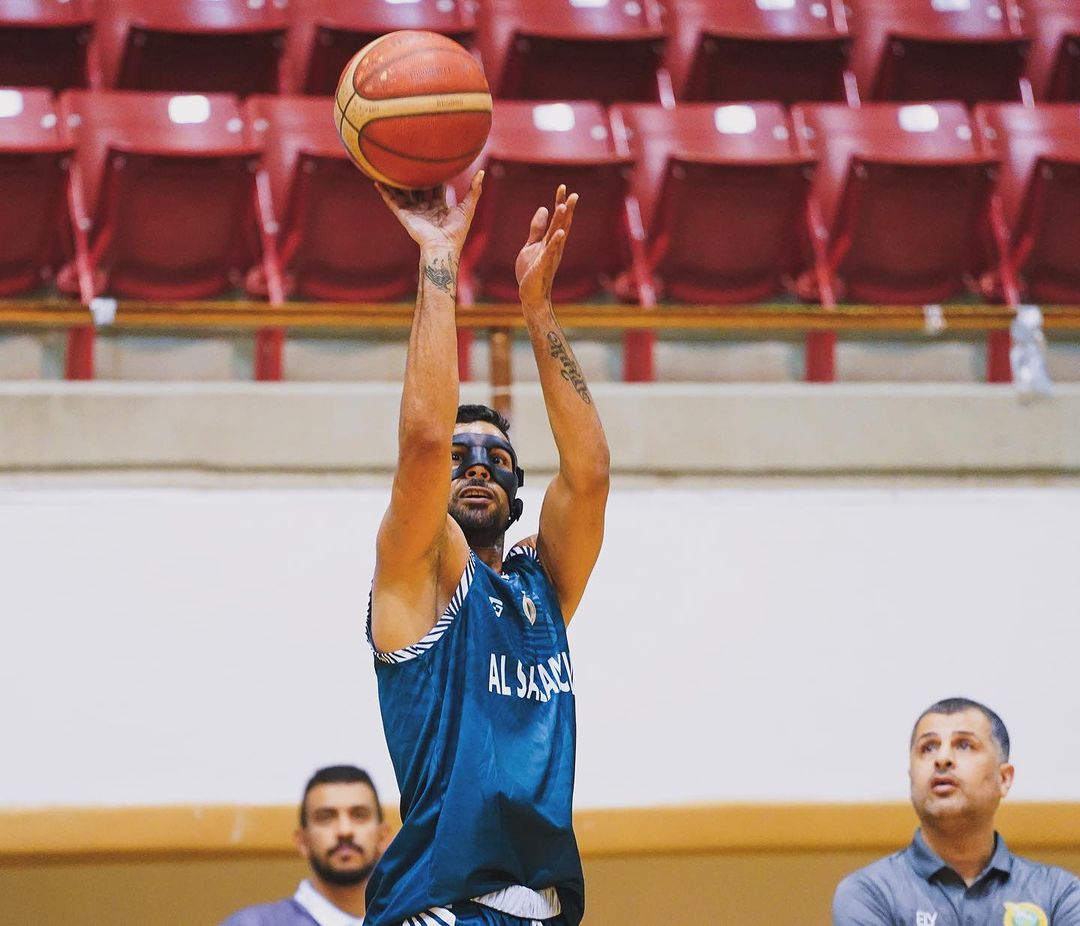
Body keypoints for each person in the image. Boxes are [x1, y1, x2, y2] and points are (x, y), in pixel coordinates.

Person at [364, 171, 609, 926]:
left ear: (515, 491)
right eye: (461, 456)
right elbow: (423, 440)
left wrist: (538, 309)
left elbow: (590, 474)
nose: (475, 465)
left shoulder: (542, 586)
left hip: (543, 906)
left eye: (495, 457)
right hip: (443, 905)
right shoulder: (417, 572)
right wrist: (440, 257)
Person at [833, 697, 1080, 926]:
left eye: (964, 745)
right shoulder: (870, 893)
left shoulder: (1060, 895)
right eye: (928, 747)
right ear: (911, 777)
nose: (942, 758)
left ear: (1003, 778)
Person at [219, 765, 389, 926]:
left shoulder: (401, 920)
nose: (344, 830)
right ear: (302, 841)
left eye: (359, 815)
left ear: (383, 837)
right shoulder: (253, 923)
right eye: (326, 817)